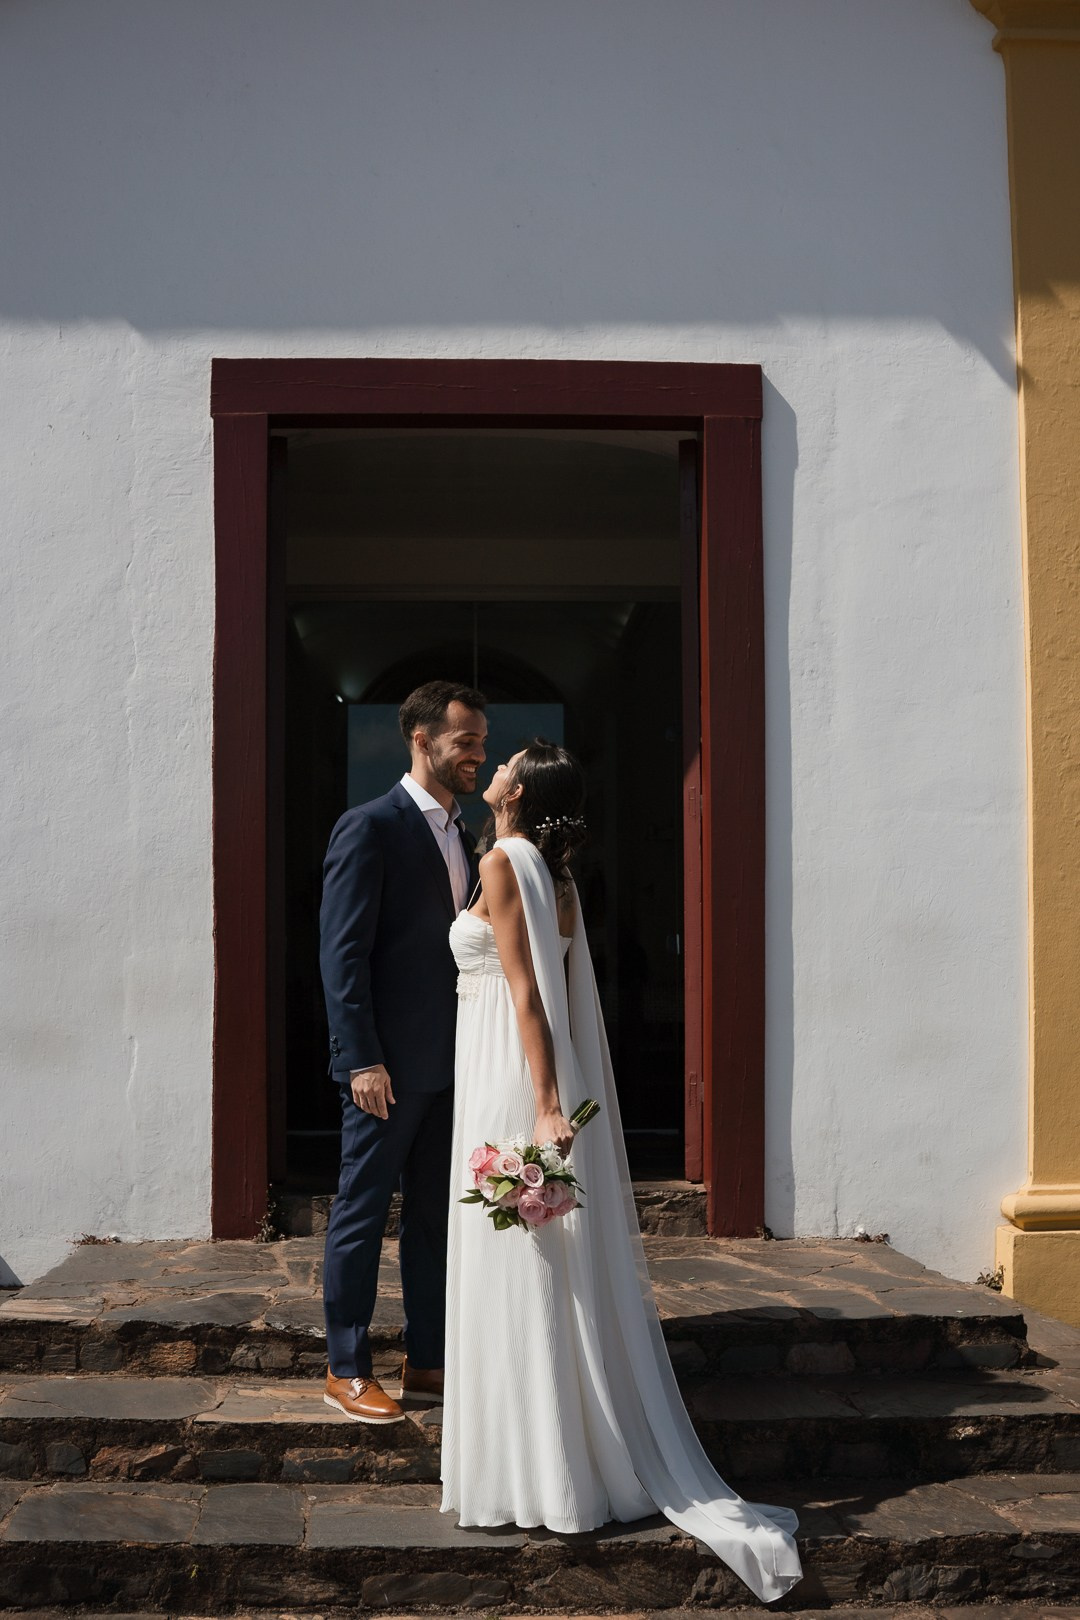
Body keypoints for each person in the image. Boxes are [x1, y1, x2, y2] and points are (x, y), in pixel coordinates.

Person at [441, 741, 803, 1604]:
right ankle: (551, 1457)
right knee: (539, 1266)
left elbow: (528, 992)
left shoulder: (503, 861)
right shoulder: (554, 876)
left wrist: (545, 1104)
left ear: (519, 792)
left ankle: (533, 1471)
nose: (493, 765)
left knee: (521, 1266)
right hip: (515, 1064)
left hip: (510, 1075)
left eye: (508, 761)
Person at [319, 680, 487, 1424]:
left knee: (433, 1219)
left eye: (482, 742)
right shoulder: (370, 826)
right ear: (421, 739)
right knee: (360, 1211)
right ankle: (346, 1368)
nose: (478, 755)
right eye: (466, 742)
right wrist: (360, 1058)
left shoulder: (470, 834)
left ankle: (427, 1363)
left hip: (458, 1063)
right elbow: (342, 955)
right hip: (385, 1069)